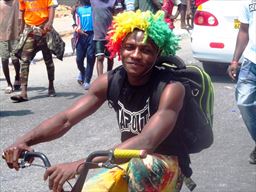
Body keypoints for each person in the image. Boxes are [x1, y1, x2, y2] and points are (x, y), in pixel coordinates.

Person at [3, 10, 193, 192]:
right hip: (126, 160)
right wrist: (23, 141)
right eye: (129, 47)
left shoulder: (170, 88)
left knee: (142, 165)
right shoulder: (109, 81)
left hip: (164, 164)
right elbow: (66, 119)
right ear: (119, 47)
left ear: (157, 55)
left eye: (145, 50)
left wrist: (79, 165)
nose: (135, 55)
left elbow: (147, 141)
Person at [10, 0, 57, 102]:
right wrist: (21, 31)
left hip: (44, 29)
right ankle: (24, 92)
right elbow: (21, 12)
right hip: (30, 31)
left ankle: (51, 86)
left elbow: (51, 7)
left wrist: (50, 22)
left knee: (48, 60)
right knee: (24, 60)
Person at [227, 0, 256, 164]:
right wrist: (235, 61)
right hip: (252, 62)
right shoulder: (248, 2)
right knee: (244, 103)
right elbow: (244, 30)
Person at [73, 0, 95, 90]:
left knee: (90, 57)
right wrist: (78, 30)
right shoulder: (77, 10)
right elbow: (74, 24)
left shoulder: (94, 9)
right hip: (81, 36)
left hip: (92, 35)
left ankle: (87, 81)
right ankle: (83, 71)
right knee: (79, 60)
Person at [0, 0, 21, 94]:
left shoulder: (16, 2)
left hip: (14, 34)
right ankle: (9, 84)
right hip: (1, 36)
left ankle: (17, 76)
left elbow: (21, 16)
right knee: (4, 59)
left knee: (15, 59)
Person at [91, 0, 115, 77]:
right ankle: (100, 79)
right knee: (100, 57)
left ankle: (109, 76)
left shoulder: (113, 1)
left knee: (110, 58)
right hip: (99, 35)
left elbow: (117, 15)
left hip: (110, 35)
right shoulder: (93, 1)